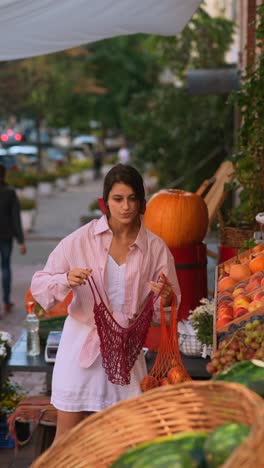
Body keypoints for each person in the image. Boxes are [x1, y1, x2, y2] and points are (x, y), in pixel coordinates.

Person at [31, 164, 181, 442]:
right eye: (118, 199)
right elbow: (40, 286)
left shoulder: (155, 248)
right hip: (81, 350)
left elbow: (170, 307)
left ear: (142, 203)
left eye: (132, 199)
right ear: (106, 202)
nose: (125, 206)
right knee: (67, 436)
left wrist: (167, 298)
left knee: (128, 437)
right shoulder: (80, 240)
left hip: (127, 351)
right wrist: (65, 278)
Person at [0, 164, 26, 317]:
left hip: (6, 235)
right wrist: (21, 241)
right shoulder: (9, 193)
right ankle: (6, 300)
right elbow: (16, 218)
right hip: (6, 235)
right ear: (4, 175)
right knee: (5, 267)